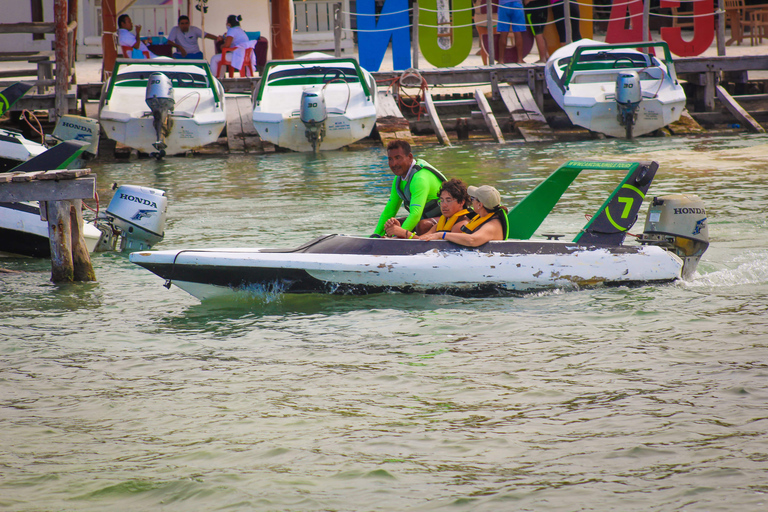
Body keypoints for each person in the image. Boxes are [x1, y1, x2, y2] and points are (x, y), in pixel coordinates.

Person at [373, 140, 447, 238]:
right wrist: (375, 236)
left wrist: (397, 237)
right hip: (427, 217)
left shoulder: (419, 178)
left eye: (398, 158)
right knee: (390, 225)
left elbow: (415, 215)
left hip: (448, 218)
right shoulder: (398, 180)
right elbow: (389, 211)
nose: (394, 163)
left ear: (410, 157)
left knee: (422, 226)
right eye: (390, 159)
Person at [385, 178, 474, 239]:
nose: (444, 205)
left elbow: (432, 247)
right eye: (441, 201)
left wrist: (403, 233)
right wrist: (399, 231)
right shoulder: (443, 222)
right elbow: (421, 240)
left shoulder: (461, 226)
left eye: (448, 200)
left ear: (462, 202)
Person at [422, 185, 508, 246]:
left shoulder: (491, 226)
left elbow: (472, 240)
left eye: (473, 199)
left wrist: (441, 235)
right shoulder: (482, 217)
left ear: (480, 205)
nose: (471, 202)